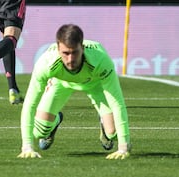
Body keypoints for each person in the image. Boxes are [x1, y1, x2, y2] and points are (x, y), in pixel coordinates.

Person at [17, 24, 131, 159]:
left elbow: (117, 103)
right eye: (65, 53)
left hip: (95, 84)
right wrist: (27, 146)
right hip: (61, 83)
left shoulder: (101, 61)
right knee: (38, 132)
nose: (70, 59)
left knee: (114, 133)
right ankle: (55, 121)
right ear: (58, 49)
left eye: (75, 53)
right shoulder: (46, 63)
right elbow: (30, 104)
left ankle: (104, 126)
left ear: (82, 48)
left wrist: (123, 147)